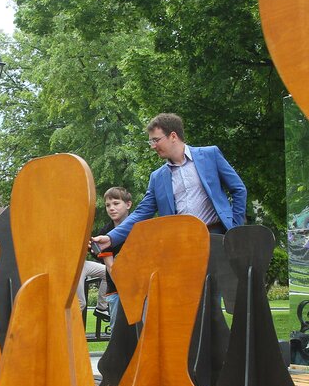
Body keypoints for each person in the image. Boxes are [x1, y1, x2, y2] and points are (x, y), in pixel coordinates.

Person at [92, 113, 247, 252]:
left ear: (173, 136)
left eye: (156, 140)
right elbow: (140, 213)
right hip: (179, 246)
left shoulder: (210, 155)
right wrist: (111, 237)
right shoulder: (157, 177)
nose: (153, 146)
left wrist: (235, 227)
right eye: (151, 141)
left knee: (219, 277)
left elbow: (238, 189)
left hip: (217, 238)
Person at [95, 187, 133, 327]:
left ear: (128, 204)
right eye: (108, 205)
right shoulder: (105, 232)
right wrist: (124, 290)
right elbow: (110, 266)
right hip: (117, 290)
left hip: (140, 289)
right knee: (118, 330)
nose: (111, 208)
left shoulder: (139, 227)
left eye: (116, 203)